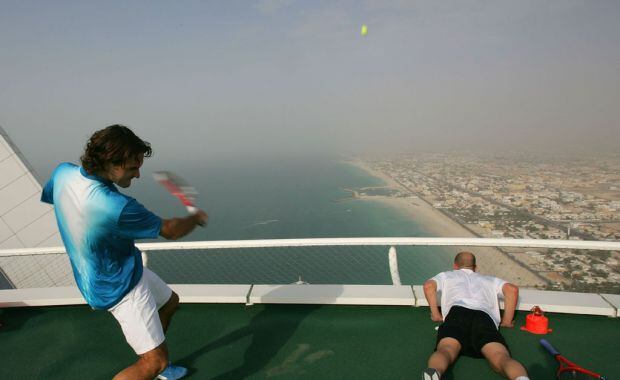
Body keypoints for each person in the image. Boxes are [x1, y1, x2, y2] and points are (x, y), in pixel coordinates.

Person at [41, 125, 208, 380]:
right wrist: (195, 218)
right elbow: (171, 230)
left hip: (118, 269)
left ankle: (154, 358)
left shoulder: (63, 172)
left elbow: (61, 201)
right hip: (119, 284)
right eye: (133, 168)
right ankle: (154, 363)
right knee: (155, 363)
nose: (138, 174)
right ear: (111, 163)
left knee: (170, 303)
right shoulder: (114, 206)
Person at [422, 251, 529, 380]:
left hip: (458, 312)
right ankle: (520, 378)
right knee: (500, 357)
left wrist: (436, 315)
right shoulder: (490, 279)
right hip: (483, 317)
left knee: (446, 350)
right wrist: (507, 321)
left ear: (455, 266)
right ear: (475, 267)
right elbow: (512, 289)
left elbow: (428, 286)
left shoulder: (447, 276)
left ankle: (434, 372)